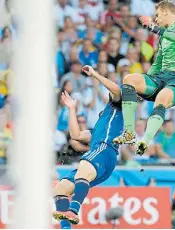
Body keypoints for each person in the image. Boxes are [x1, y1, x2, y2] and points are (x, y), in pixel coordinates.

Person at [113, 1, 175, 156]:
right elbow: (158, 63)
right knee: (129, 79)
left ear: (166, 12)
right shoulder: (163, 38)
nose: (156, 19)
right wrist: (144, 84)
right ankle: (129, 132)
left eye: (157, 15)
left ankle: (146, 140)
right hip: (162, 77)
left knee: (162, 98)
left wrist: (153, 27)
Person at [52, 65, 123, 227]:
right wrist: (71, 109)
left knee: (83, 166)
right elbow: (76, 135)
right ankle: (65, 227)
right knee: (61, 188)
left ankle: (74, 210)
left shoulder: (116, 108)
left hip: (105, 151)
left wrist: (95, 75)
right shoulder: (98, 129)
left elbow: (116, 89)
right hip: (100, 160)